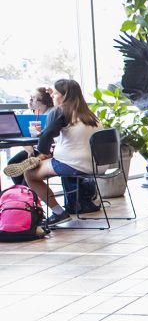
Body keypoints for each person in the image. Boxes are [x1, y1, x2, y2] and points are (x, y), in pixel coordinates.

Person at [17, 79, 102, 225]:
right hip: (97, 164)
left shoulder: (60, 111)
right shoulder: (90, 114)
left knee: (29, 174)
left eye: (55, 93)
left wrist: (41, 154)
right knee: (39, 165)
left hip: (73, 164)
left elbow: (45, 138)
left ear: (65, 95)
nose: (51, 96)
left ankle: (58, 213)